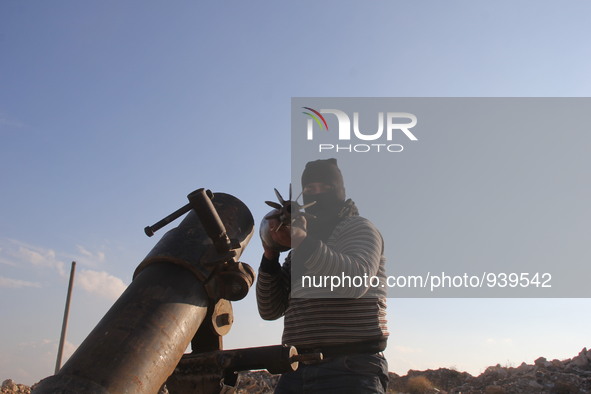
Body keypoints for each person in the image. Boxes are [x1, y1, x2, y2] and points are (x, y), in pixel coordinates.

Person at [256, 158, 389, 393]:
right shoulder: (301, 250)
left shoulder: (359, 228)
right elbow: (270, 310)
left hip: (351, 369)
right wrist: (270, 255)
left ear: (339, 191)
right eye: (309, 189)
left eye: (324, 188)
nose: (316, 194)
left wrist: (303, 242)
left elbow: (354, 283)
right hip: (296, 369)